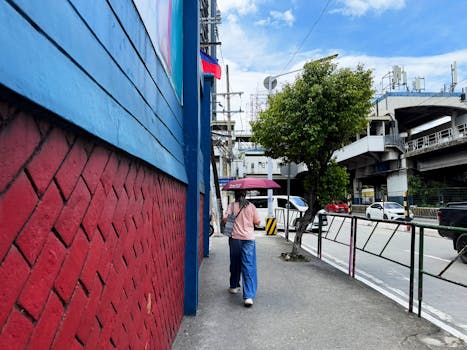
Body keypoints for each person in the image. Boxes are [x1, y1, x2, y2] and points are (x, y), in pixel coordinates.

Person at [223, 190, 260, 307]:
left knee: (235, 262)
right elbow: (258, 222)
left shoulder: (232, 205)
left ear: (235, 195)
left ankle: (234, 286)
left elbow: (225, 219)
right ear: (245, 195)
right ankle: (248, 296)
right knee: (248, 265)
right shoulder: (251, 206)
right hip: (249, 239)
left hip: (235, 238)